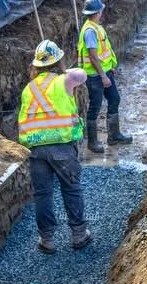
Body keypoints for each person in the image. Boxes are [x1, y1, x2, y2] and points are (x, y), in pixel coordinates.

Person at [17, 39, 92, 254]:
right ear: (58, 62)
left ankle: (46, 240)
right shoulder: (65, 80)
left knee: (43, 194)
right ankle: (78, 235)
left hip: (36, 149)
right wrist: (61, 67)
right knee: (71, 188)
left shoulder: (28, 88)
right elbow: (82, 75)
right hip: (61, 147)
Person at [77, 0, 134, 153]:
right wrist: (103, 75)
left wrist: (109, 68)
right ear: (97, 12)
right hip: (95, 76)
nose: (102, 12)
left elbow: (104, 52)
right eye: (101, 10)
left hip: (105, 72)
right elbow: (93, 56)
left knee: (114, 98)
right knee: (95, 107)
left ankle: (114, 136)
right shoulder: (89, 31)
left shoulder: (96, 27)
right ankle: (92, 142)